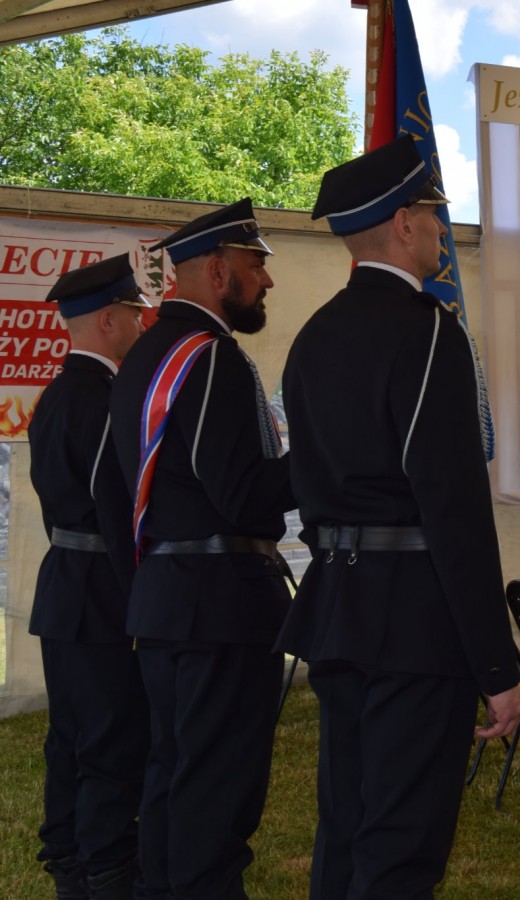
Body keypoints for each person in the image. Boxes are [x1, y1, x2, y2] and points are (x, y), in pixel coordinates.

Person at [280, 134, 520, 898]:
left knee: (347, 825)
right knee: (401, 841)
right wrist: (498, 665)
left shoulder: (313, 336)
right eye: (431, 212)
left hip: (340, 608)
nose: (440, 230)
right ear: (405, 224)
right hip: (413, 619)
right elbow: (451, 508)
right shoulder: (426, 333)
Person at [107, 199, 294, 899]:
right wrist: (325, 455)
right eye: (256, 266)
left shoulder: (145, 356)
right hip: (220, 604)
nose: (267, 282)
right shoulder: (210, 358)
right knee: (216, 795)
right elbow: (242, 495)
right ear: (218, 271)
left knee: (173, 779)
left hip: (167, 599)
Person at [28, 255, 150, 900]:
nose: (140, 320)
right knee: (110, 736)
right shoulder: (105, 398)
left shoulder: (55, 393)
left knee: (71, 732)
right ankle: (105, 868)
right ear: (109, 319)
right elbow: (116, 507)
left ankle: (68, 855)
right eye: (133, 311)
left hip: (66, 582)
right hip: (101, 586)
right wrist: (140, 601)